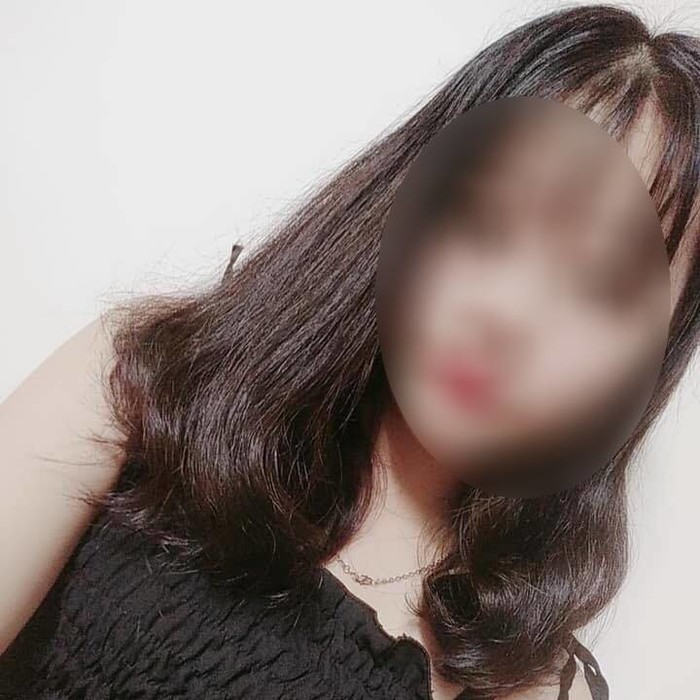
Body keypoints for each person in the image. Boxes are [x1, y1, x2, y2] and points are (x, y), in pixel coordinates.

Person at [2, 4, 699, 699]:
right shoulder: (144, 384)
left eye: (601, 288)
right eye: (490, 221)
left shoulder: (531, 684)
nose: (509, 315)